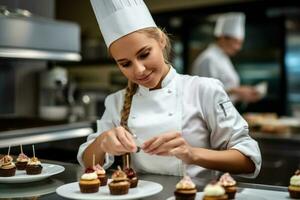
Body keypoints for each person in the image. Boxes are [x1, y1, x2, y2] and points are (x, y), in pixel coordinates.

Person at [77, 0, 261, 179]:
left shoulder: (204, 90)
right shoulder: (117, 101)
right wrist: (102, 142)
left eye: (144, 54)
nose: (139, 70)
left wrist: (192, 154)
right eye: (125, 64)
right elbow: (87, 163)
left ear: (161, 40)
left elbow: (249, 160)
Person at [191, 13, 260, 103]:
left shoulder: (223, 58)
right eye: (236, 42)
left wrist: (242, 95)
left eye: (240, 43)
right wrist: (236, 91)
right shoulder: (209, 59)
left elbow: (225, 94)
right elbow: (206, 92)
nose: (238, 48)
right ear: (222, 38)